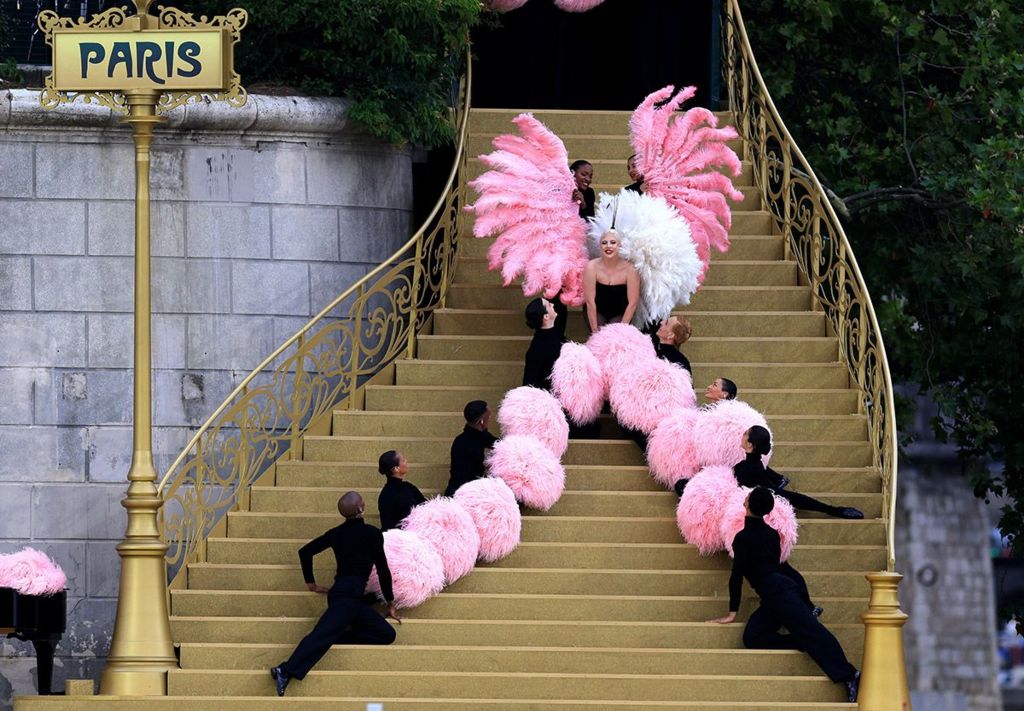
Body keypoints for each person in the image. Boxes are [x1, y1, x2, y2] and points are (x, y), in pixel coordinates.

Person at [709, 486, 860, 703]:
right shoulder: (771, 533)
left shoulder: (742, 538)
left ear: (747, 505)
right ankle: (802, 641)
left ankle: (849, 675)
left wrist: (732, 612)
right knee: (752, 637)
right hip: (775, 594)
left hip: (780, 593)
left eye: (748, 497)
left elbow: (737, 576)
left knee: (814, 631)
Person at [270, 491, 400, 697]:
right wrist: (391, 603)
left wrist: (311, 584)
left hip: (350, 597)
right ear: (361, 509)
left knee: (386, 634)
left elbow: (305, 552)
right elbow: (383, 570)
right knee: (321, 633)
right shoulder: (372, 534)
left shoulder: (337, 533)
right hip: (346, 596)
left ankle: (335, 635)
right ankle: (284, 670)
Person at [737, 426, 864, 519]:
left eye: (745, 433)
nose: (742, 434)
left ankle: (834, 510)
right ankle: (834, 510)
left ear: (749, 445)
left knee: (792, 497)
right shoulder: (755, 464)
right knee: (792, 497)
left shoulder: (742, 468)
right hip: (766, 489)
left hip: (764, 497)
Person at [582, 230, 640, 332]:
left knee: (614, 338)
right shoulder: (591, 267)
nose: (608, 246)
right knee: (599, 338)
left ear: (620, 246)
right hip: (597, 310)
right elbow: (590, 302)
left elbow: (632, 303)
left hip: (620, 312)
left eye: (613, 242)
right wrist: (595, 331)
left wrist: (621, 331)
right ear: (600, 246)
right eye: (604, 243)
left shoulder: (631, 269)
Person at [444, 400, 499, 496]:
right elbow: (462, 477)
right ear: (481, 421)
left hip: (472, 486)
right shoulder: (462, 444)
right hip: (462, 492)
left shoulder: (480, 435)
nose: (490, 419)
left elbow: (495, 443)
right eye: (489, 417)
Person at [376, 450, 426, 531]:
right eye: (403, 460)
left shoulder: (409, 487)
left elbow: (425, 506)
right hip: (399, 540)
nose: (406, 461)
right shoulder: (386, 496)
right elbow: (388, 526)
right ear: (396, 469)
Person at [522, 297, 566, 390]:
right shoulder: (536, 349)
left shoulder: (554, 331)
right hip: (548, 397)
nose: (553, 305)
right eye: (549, 305)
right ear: (546, 316)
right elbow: (529, 383)